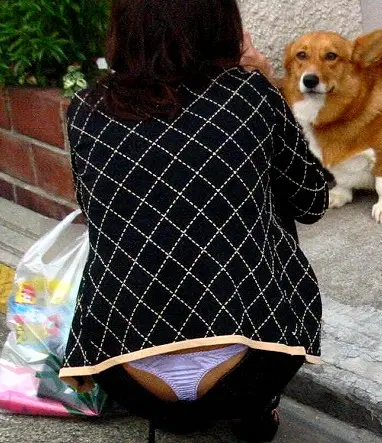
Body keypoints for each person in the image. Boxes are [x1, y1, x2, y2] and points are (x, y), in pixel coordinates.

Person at [57, 1, 329, 442]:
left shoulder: (87, 108)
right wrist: (263, 79)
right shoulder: (249, 93)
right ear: (220, 23)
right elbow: (312, 200)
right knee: (269, 196)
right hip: (254, 362)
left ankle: (170, 416)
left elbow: (95, 213)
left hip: (123, 371)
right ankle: (254, 411)